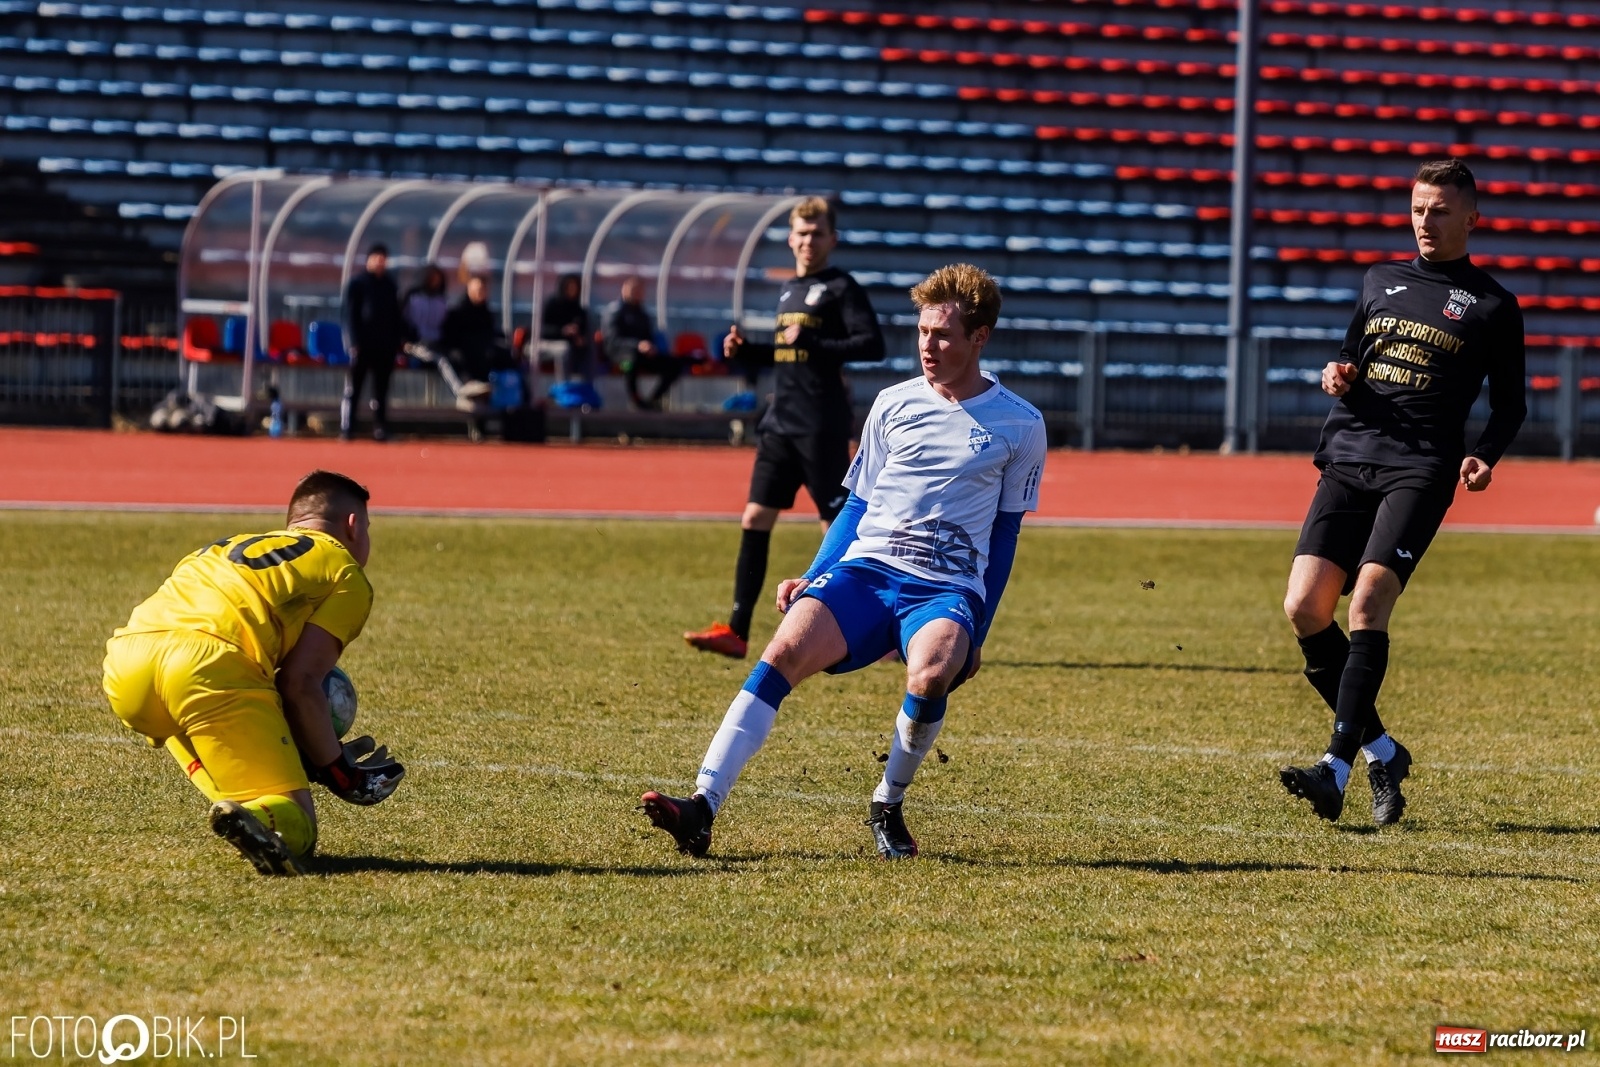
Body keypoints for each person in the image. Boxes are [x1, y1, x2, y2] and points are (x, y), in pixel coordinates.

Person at [642, 264, 1047, 859]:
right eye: (922, 332)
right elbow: (857, 505)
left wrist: (977, 629)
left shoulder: (1022, 423)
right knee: (780, 651)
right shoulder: (891, 405)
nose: (928, 346)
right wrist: (815, 573)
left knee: (931, 674)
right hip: (868, 569)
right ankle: (702, 807)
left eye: (943, 335)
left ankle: (887, 802)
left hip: (945, 587)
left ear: (979, 338)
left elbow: (1006, 536)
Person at [1278, 159, 1527, 826]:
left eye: (1441, 210)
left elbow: (1510, 406)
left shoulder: (1493, 306)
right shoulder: (1379, 281)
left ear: (1471, 220)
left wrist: (1483, 454)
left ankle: (1334, 766)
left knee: (1367, 603)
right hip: (1350, 455)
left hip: (1420, 467)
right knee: (1304, 607)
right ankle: (1383, 750)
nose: (1427, 220)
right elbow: (1352, 357)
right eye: (1419, 208)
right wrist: (1338, 374)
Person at [101, 470, 405, 876]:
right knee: (299, 825)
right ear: (353, 526)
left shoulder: (229, 545)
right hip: (208, 669)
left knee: (197, 717)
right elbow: (298, 683)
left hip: (126, 665)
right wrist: (340, 772)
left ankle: (248, 804)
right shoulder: (344, 570)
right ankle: (267, 815)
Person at [683, 196, 886, 659]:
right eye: (801, 232)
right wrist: (748, 351)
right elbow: (788, 354)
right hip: (781, 421)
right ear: (790, 238)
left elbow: (871, 344)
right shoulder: (789, 289)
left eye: (817, 233)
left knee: (835, 527)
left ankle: (864, 627)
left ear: (832, 239)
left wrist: (814, 339)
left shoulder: (840, 287)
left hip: (820, 422)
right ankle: (736, 630)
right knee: (754, 517)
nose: (808, 241)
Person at [341, 244, 405, 442]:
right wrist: (354, 341)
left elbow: (396, 316)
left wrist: (397, 342)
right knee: (354, 388)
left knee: (381, 390)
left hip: (385, 346)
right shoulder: (358, 283)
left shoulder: (389, 285)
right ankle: (348, 427)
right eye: (376, 257)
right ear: (369, 259)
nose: (380, 261)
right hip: (363, 344)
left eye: (383, 258)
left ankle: (380, 428)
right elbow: (349, 314)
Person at [603, 276, 681, 411]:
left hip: (642, 355)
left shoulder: (642, 314)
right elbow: (613, 339)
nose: (637, 293)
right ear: (624, 289)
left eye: (640, 290)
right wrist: (637, 345)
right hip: (619, 357)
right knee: (630, 363)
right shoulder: (614, 311)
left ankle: (653, 399)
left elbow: (648, 337)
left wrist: (650, 347)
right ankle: (636, 401)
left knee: (674, 364)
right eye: (634, 289)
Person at [541, 272, 593, 385]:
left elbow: (583, 330)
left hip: (571, 345)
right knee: (564, 350)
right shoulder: (551, 304)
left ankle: (587, 387)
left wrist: (581, 338)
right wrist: (562, 331)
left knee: (590, 350)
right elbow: (540, 330)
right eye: (569, 287)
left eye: (575, 287)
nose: (572, 290)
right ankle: (564, 389)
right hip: (545, 343)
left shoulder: (579, 310)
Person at [402, 264, 450, 357]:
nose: (435, 282)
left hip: (436, 343)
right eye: (432, 278)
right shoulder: (413, 297)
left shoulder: (442, 300)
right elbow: (405, 319)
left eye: (437, 279)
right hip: (415, 343)